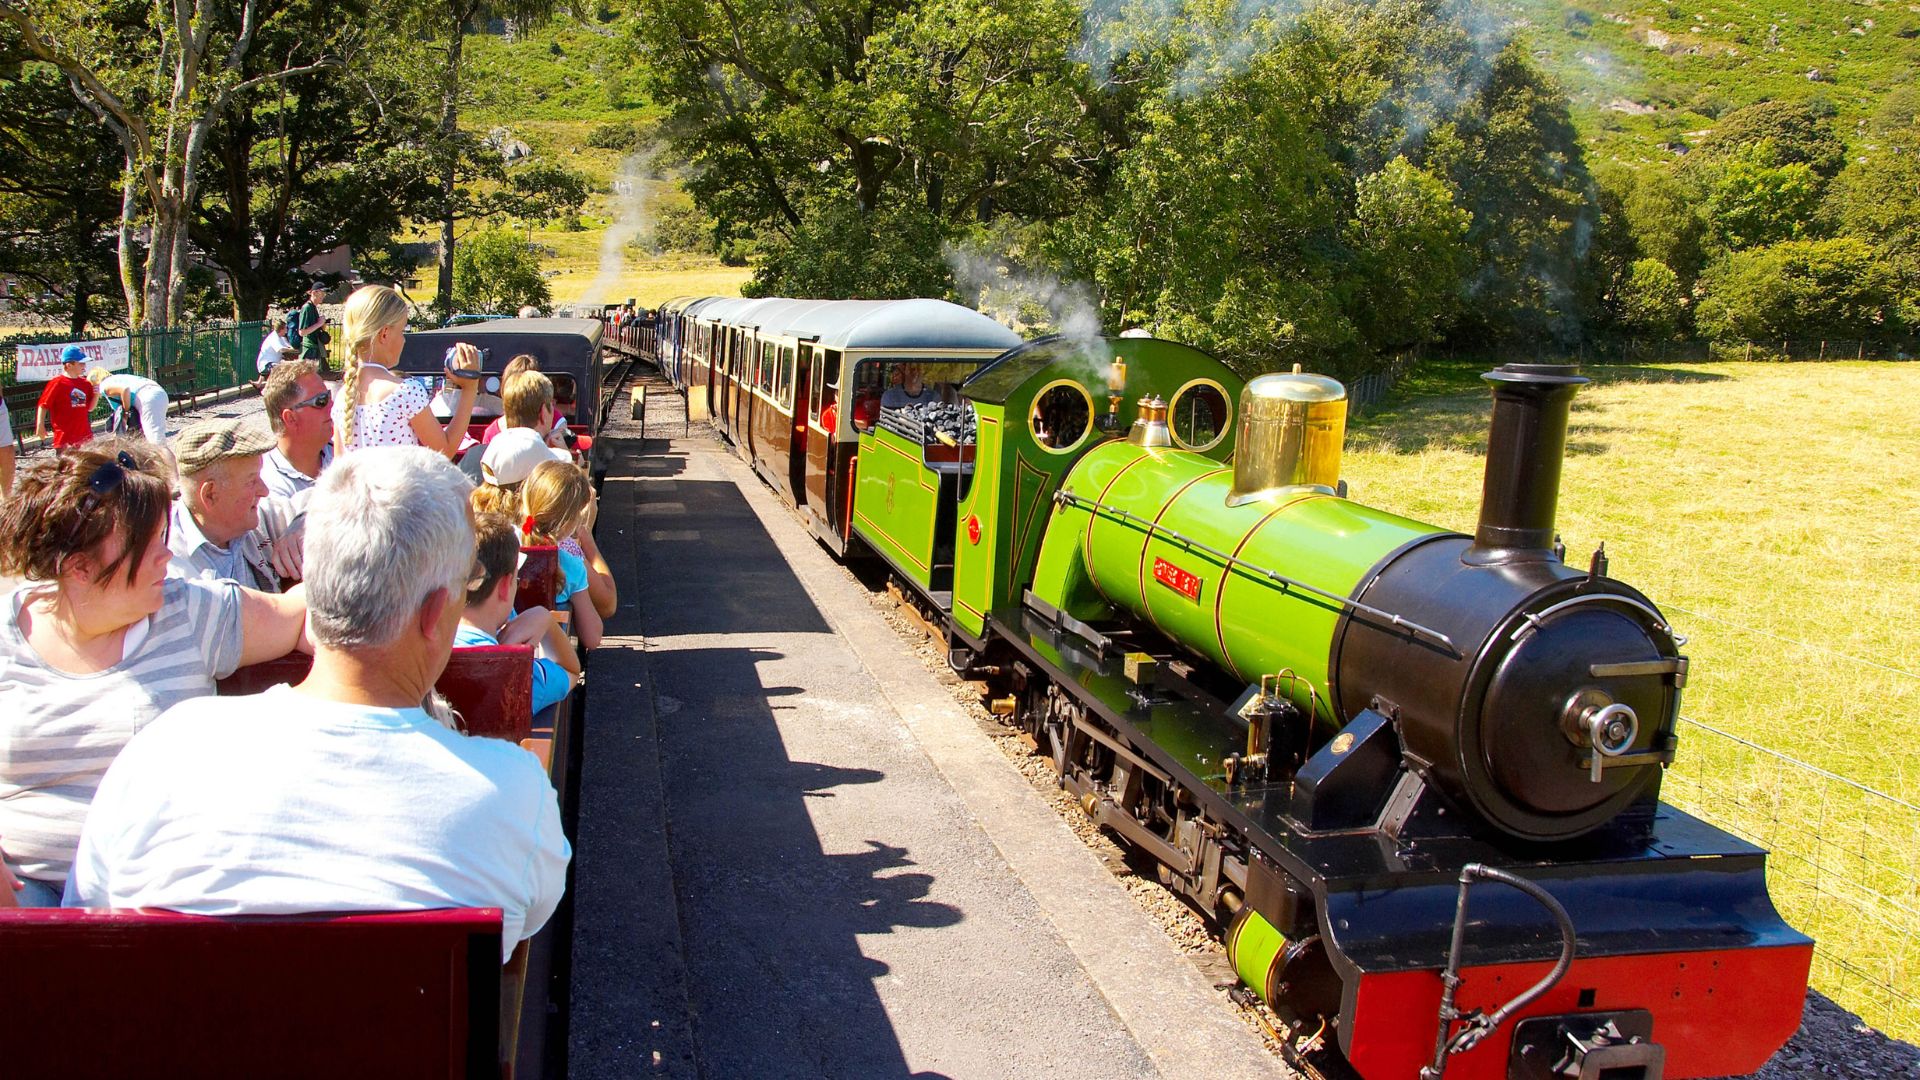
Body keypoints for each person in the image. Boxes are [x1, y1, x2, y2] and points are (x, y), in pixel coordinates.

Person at [65, 448, 570, 961]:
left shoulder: (160, 754)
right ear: (436, 612)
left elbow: (83, 925)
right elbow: (527, 918)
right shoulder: (512, 795)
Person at [0, 439, 308, 905]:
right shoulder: (7, 634)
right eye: (149, 546)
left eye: (166, 537)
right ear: (79, 568)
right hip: (25, 886)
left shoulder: (187, 610)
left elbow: (302, 613)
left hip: (156, 886)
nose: (168, 556)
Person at [333, 284, 479, 456]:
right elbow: (444, 451)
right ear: (385, 334)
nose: (403, 340)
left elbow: (339, 466)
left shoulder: (343, 395)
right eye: (402, 331)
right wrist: (470, 389)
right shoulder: (404, 391)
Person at [457, 512, 580, 716]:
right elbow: (571, 671)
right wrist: (546, 620)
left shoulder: (420, 658)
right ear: (505, 585)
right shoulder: (522, 674)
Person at [168, 419, 304, 592]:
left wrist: (302, 524)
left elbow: (328, 499)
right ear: (210, 494)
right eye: (251, 481)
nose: (264, 490)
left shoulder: (252, 518)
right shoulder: (171, 569)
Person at [520, 459, 604, 650]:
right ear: (572, 520)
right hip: (546, 659)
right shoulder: (569, 565)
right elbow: (593, 637)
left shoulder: (502, 546)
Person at [259, 360, 335, 501]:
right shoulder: (268, 488)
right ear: (291, 418)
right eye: (321, 401)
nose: (332, 405)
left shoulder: (345, 455)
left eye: (329, 396)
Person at [34, 345, 96, 449]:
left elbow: (90, 408)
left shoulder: (86, 383)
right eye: (80, 363)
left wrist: (97, 394)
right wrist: (40, 425)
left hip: (85, 436)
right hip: (64, 438)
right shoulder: (57, 383)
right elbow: (43, 405)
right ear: (69, 365)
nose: (84, 365)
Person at [87, 368, 170, 443]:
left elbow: (125, 389)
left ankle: (168, 459)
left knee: (156, 443)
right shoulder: (118, 378)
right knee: (151, 438)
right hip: (158, 393)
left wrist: (126, 413)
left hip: (147, 398)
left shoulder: (104, 386)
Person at [289, 282, 330, 364]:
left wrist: (322, 325)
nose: (324, 295)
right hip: (308, 350)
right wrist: (319, 323)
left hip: (314, 348)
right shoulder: (307, 308)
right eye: (322, 293)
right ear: (314, 293)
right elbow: (302, 332)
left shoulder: (313, 307)